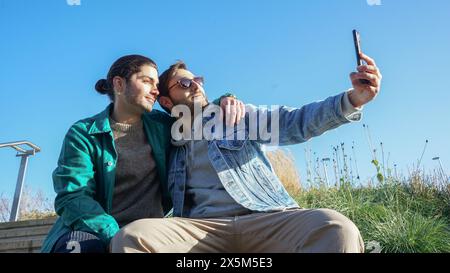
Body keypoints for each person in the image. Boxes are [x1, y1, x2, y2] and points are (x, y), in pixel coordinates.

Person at [110, 52, 382, 253]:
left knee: (336, 228)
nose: (196, 86)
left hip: (265, 219)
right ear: (167, 102)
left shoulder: (236, 114)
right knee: (133, 238)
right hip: (201, 231)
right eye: (184, 84)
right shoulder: (166, 136)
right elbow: (126, 121)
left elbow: (296, 122)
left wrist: (353, 99)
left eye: (197, 80)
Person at [40, 54, 243, 253]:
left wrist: (226, 99)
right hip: (92, 231)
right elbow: (72, 196)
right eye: (147, 81)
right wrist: (115, 235)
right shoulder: (84, 132)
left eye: (156, 84)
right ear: (119, 85)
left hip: (150, 234)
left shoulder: (165, 126)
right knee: (83, 247)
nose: (155, 90)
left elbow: (198, 111)